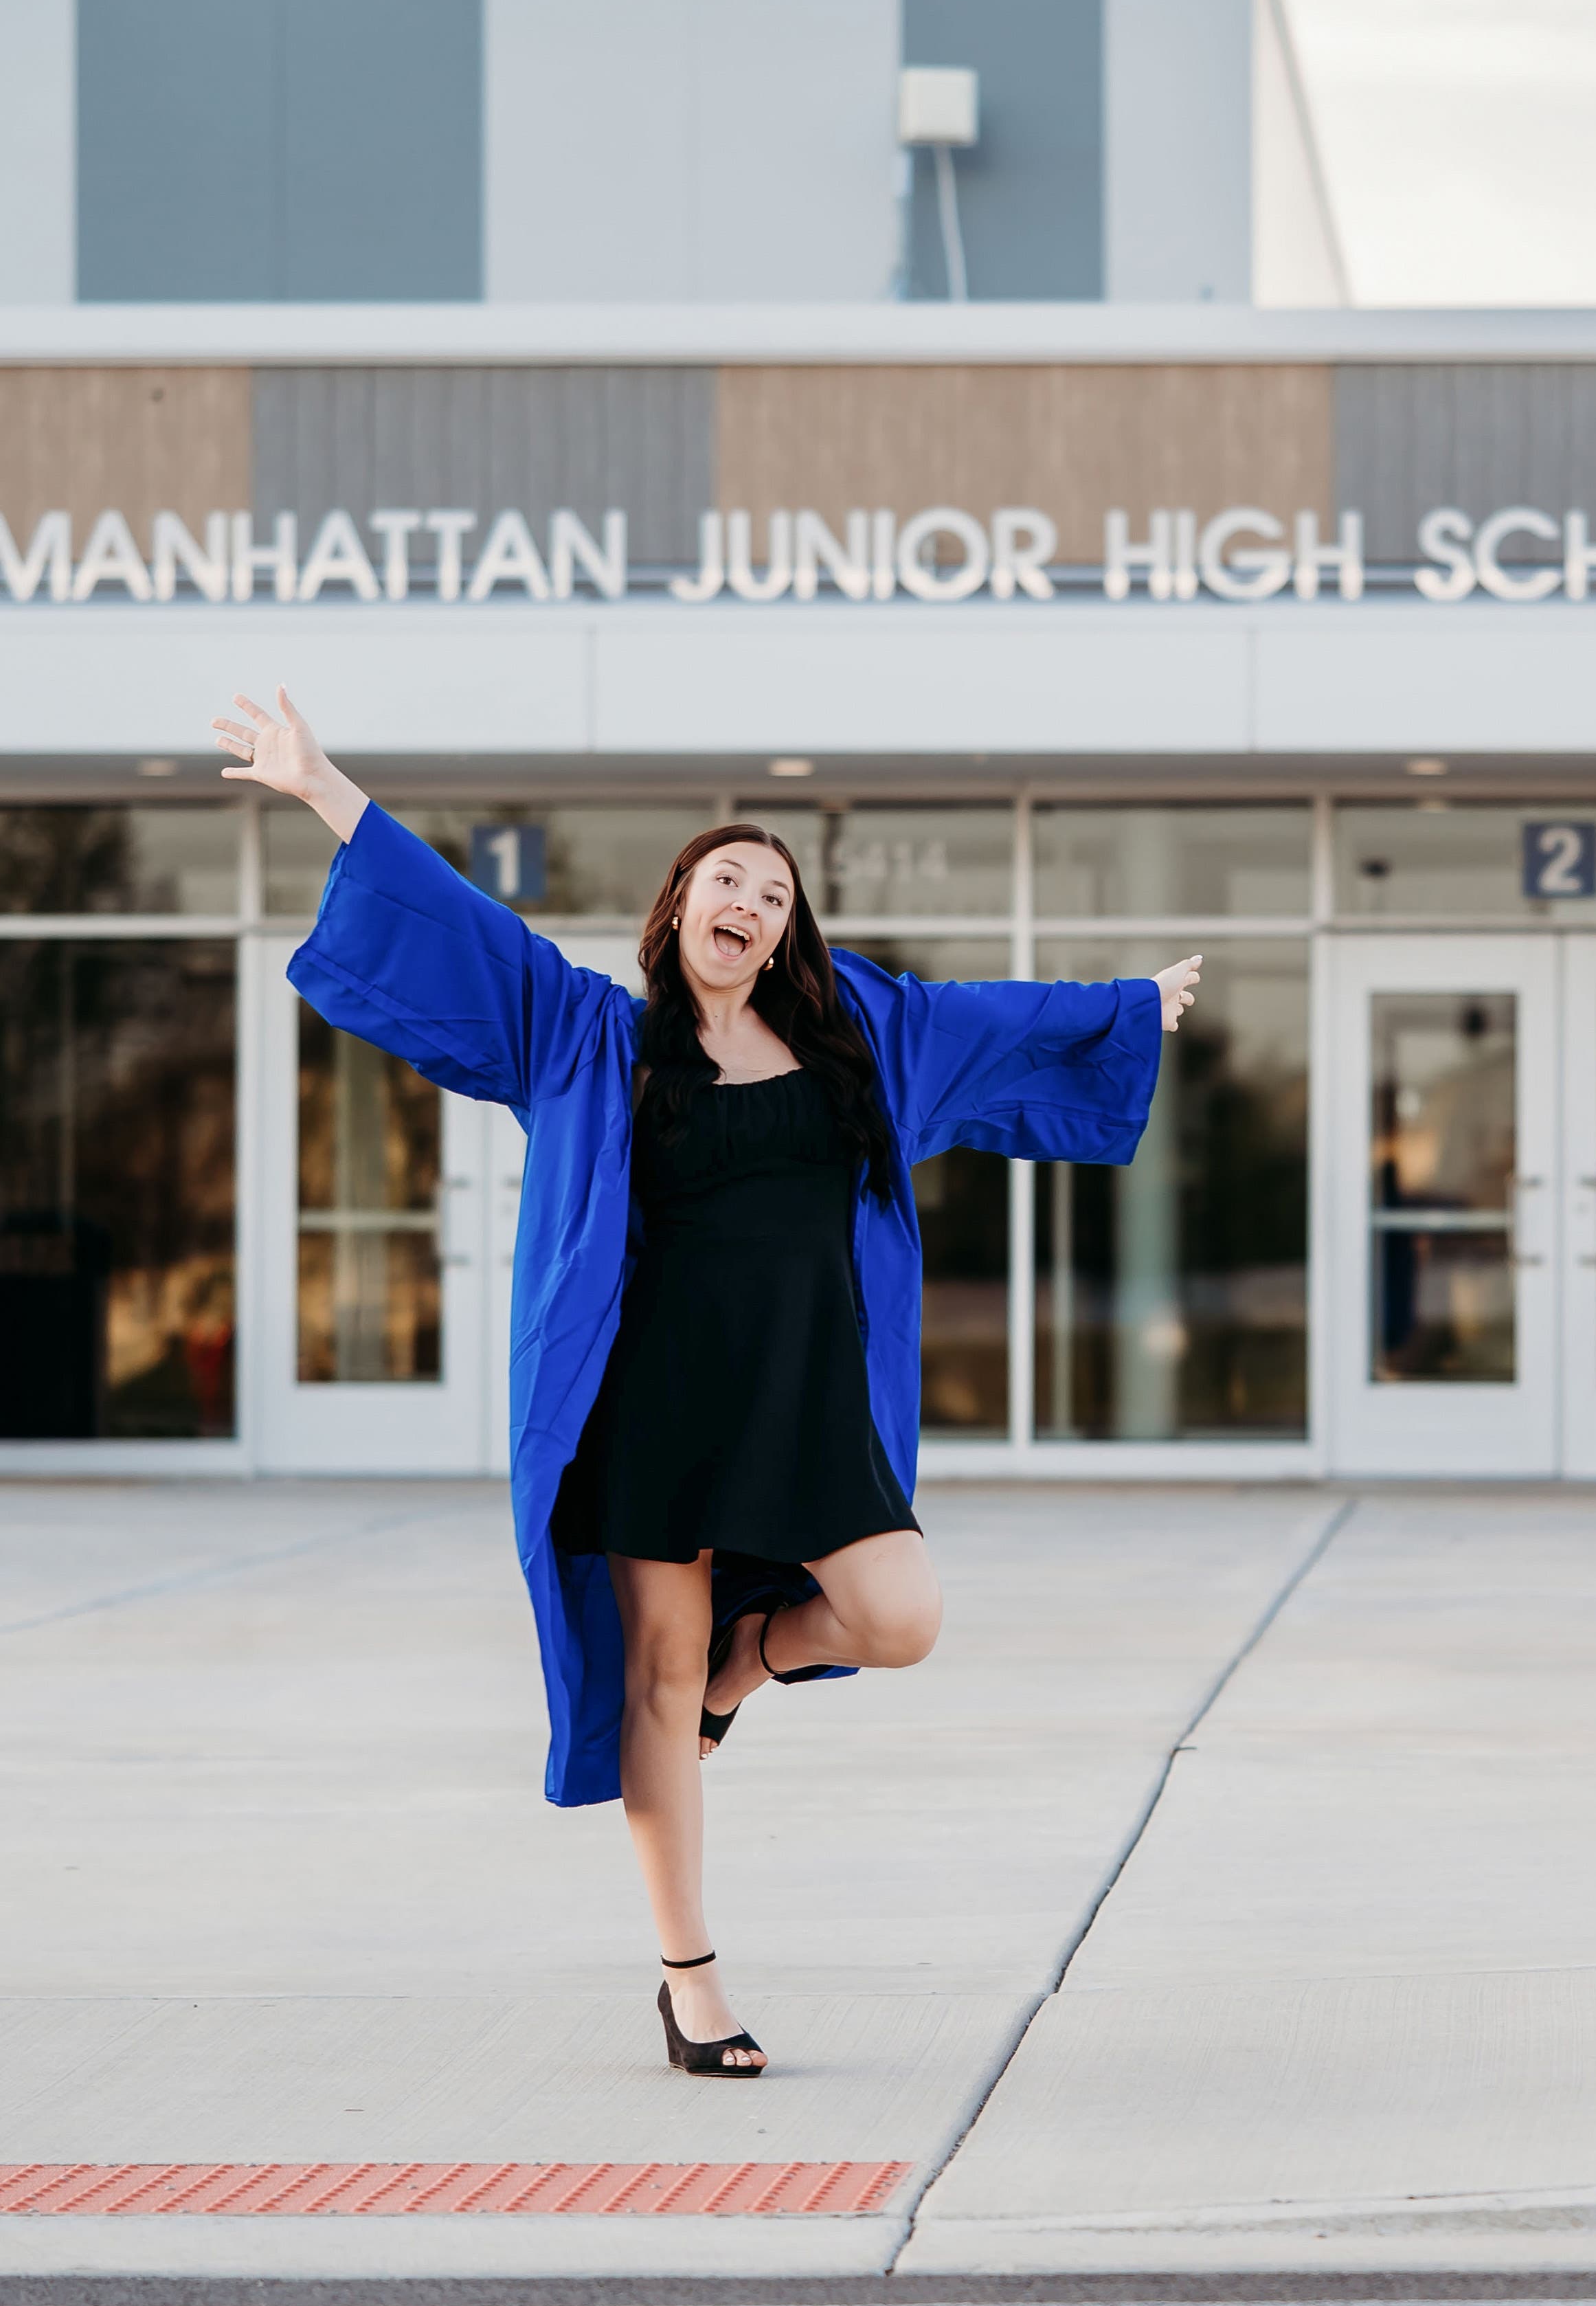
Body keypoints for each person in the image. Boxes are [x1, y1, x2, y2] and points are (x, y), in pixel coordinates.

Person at [212, 689, 1202, 2079]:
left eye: (774, 895)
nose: (749, 903)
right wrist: (327, 790)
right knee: (659, 1682)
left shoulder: (857, 1042)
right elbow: (462, 928)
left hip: (806, 1400)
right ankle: (692, 1982)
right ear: (680, 904)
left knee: (899, 1615)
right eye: (728, 879)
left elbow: (988, 1023)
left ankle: (758, 1656)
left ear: (786, 936)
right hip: (659, 1404)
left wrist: (1128, 1006)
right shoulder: (591, 1037)